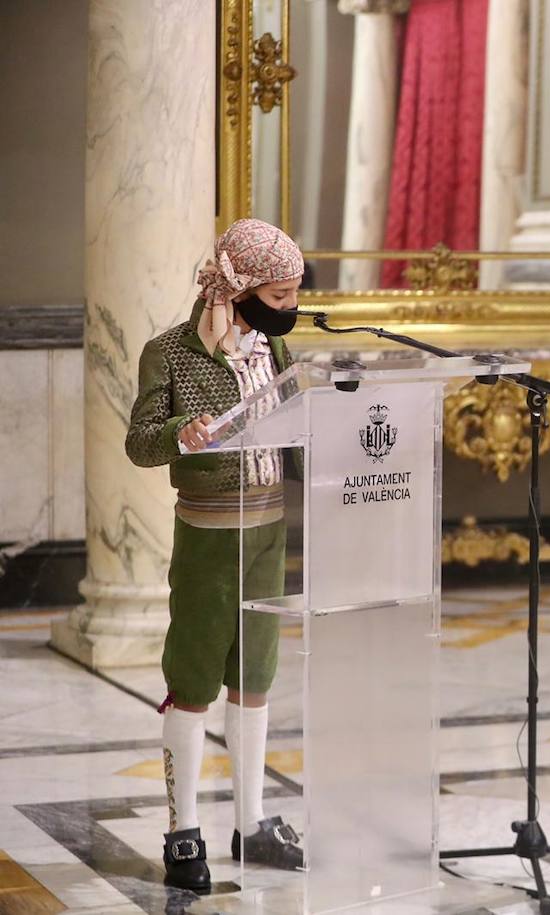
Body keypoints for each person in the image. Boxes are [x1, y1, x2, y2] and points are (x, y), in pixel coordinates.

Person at [126, 218, 309, 893]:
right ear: (245, 286)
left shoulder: (274, 350)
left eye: (293, 294)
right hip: (206, 534)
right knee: (196, 676)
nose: (291, 307)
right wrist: (184, 431)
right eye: (282, 294)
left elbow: (292, 425)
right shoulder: (169, 353)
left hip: (269, 531)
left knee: (256, 673)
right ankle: (184, 829)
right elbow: (141, 441)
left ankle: (253, 821)